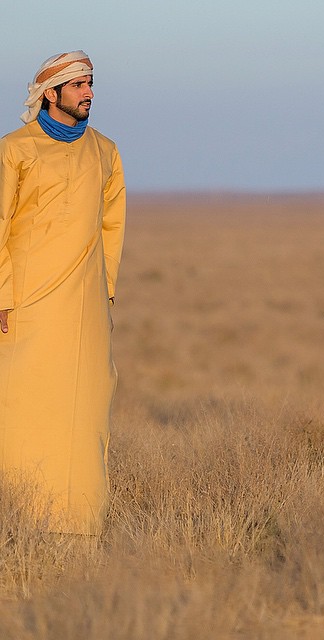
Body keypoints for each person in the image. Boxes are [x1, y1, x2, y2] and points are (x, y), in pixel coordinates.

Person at [0, 51, 126, 535]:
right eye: (77, 86)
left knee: (85, 414)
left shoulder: (105, 151)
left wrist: (106, 293)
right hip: (25, 305)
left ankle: (78, 528)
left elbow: (113, 227)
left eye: (90, 83)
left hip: (86, 308)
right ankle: (19, 522)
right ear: (50, 94)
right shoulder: (16, 149)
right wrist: (4, 297)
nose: (88, 93)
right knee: (19, 412)